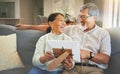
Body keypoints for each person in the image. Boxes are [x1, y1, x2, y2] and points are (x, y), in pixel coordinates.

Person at [17, 3, 111, 74]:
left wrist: (88, 54)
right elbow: (52, 26)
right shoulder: (72, 29)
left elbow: (105, 58)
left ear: (94, 17)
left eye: (84, 17)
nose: (80, 19)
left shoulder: (103, 33)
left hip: (93, 69)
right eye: (80, 16)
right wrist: (27, 26)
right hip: (72, 68)